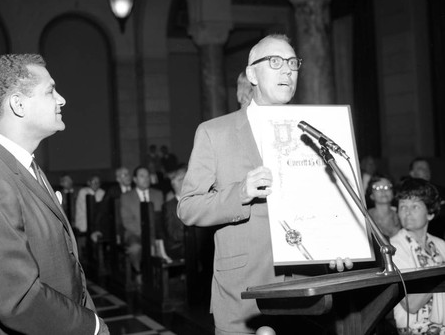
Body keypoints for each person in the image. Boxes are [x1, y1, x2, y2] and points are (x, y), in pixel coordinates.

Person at [178, 34, 351, 334]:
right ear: (252, 74)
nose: (287, 70)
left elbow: (329, 206)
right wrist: (239, 194)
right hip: (243, 293)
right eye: (275, 62)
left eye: (293, 63)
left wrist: (336, 245)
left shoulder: (315, 131)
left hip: (306, 289)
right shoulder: (214, 132)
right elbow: (187, 207)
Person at [0, 54, 109, 334]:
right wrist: (92, 326)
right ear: (19, 104)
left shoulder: (24, 165)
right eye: (50, 90)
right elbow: (17, 297)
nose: (61, 99)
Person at [390, 178, 445, 334]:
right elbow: (411, 304)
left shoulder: (441, 245)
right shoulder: (393, 248)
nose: (407, 212)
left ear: (430, 213)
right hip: (414, 330)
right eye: (403, 206)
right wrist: (440, 271)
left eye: (415, 206)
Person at [120, 165, 164, 279]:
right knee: (135, 248)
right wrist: (146, 235)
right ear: (135, 179)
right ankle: (138, 271)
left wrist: (154, 236)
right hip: (135, 233)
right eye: (142, 176)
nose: (146, 178)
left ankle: (158, 275)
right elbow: (127, 221)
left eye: (148, 176)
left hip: (155, 233)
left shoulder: (158, 194)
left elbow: (161, 219)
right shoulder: (126, 197)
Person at [74, 175, 106, 256]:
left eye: (98, 182)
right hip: (84, 220)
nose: (96, 184)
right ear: (89, 183)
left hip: (98, 221)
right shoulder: (83, 191)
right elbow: (87, 209)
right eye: (93, 182)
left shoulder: (102, 192)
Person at [162, 164, 187, 260]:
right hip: (177, 246)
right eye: (181, 179)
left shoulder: (193, 201)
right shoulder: (168, 206)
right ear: (174, 184)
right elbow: (172, 234)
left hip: (190, 242)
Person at [366, 174, 401, 238]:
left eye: (387, 187)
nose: (383, 191)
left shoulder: (401, 216)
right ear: (371, 195)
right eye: (377, 188)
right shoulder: (365, 217)